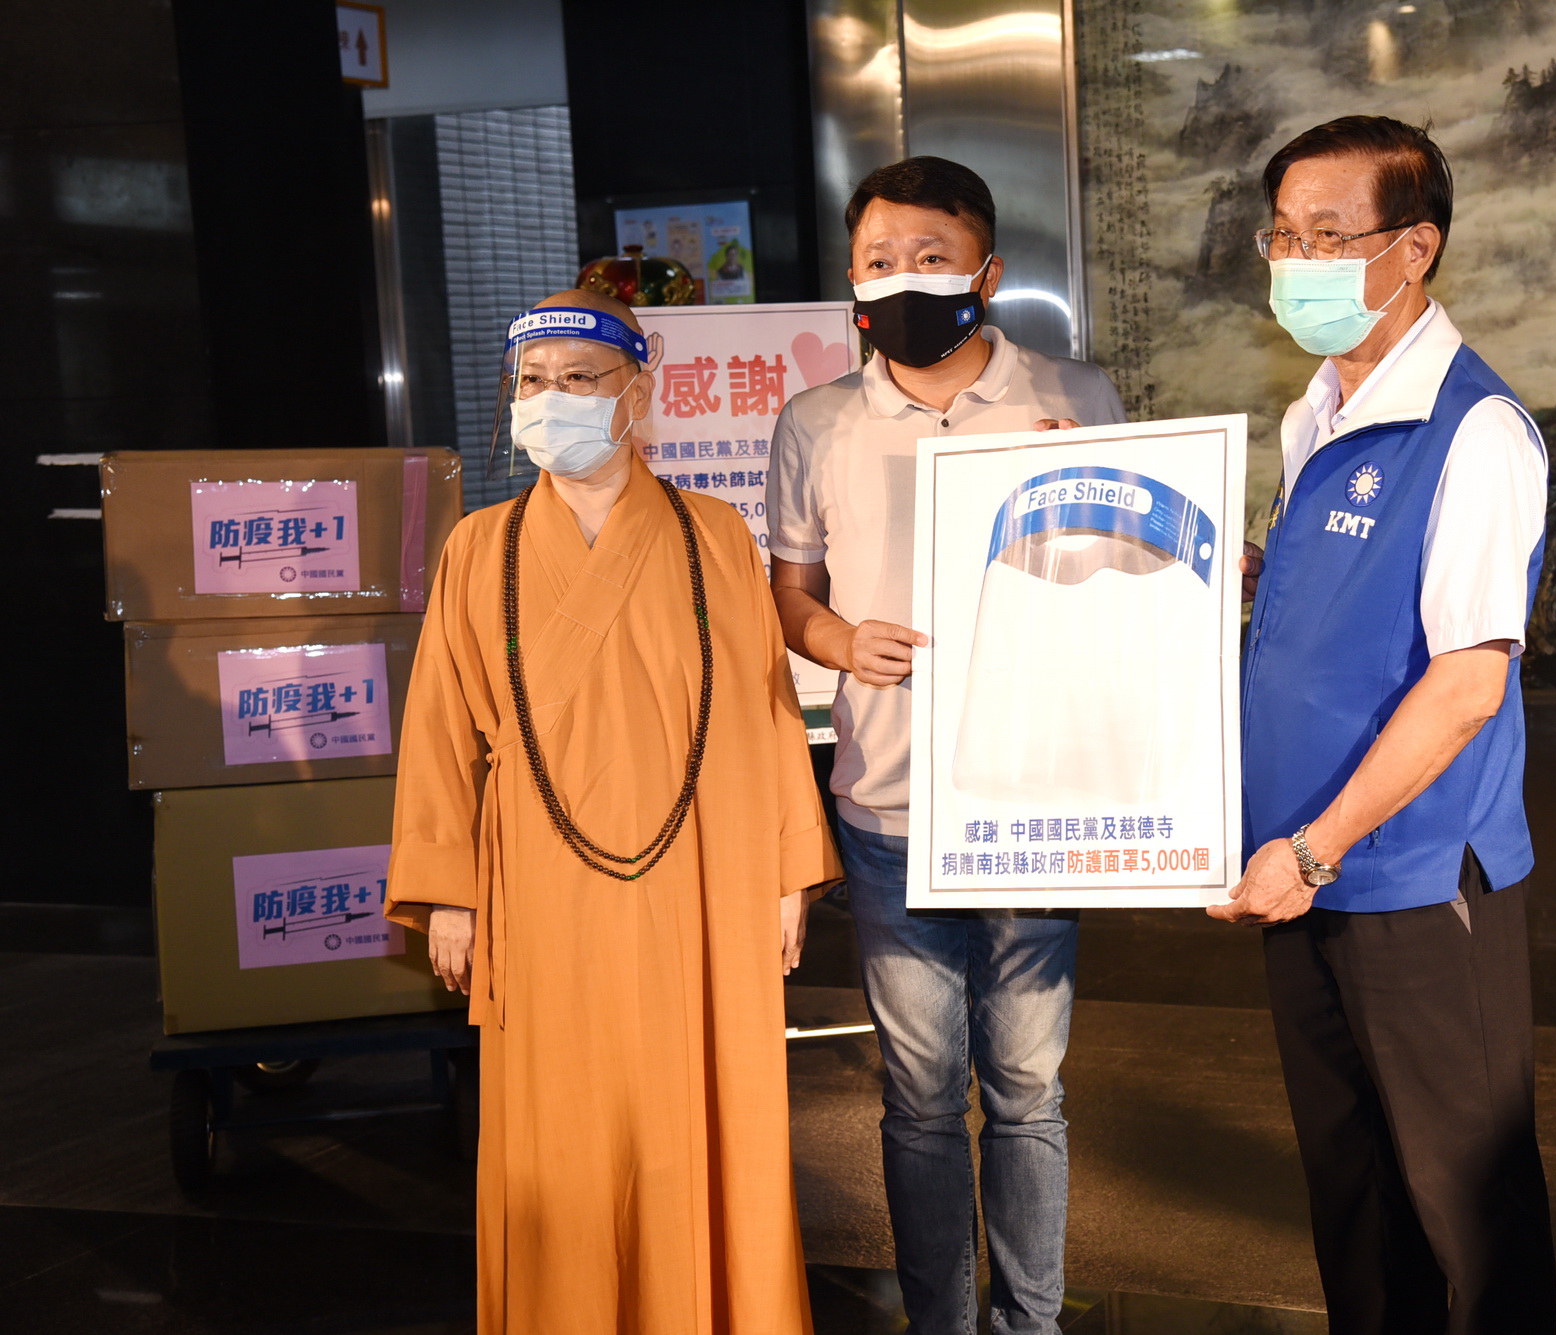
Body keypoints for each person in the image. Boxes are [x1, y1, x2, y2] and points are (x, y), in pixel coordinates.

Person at [386, 288, 841, 1334]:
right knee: (563, 1132)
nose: (553, 401)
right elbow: (440, 727)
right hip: (538, 881)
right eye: (533, 383)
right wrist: (449, 893)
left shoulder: (711, 534)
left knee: (693, 1119)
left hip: (699, 874)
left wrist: (785, 870)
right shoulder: (479, 547)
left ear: (637, 392)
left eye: (580, 380)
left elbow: (763, 708)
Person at [766, 156, 1126, 1335]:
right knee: (918, 1099)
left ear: (987, 272)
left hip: (1035, 802)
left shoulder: (1072, 392)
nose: (902, 278)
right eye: (878, 260)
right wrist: (836, 638)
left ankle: (1030, 1321)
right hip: (887, 808)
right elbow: (789, 596)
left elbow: (1142, 568)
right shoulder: (815, 421)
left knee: (1026, 1089)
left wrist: (1093, 493)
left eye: (930, 257)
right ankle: (940, 1322)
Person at [1213, 117, 1556, 1333]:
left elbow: (1465, 682)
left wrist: (1316, 849)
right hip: (1299, 868)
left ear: (1413, 249)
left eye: (1327, 237)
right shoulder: (1313, 413)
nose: (1295, 264)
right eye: (1281, 237)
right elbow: (1344, 611)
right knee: (1353, 1193)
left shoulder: (1474, 430)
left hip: (1406, 871)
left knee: (1467, 1206)